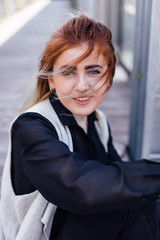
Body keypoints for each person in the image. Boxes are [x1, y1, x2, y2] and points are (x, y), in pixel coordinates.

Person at [0, 13, 160, 240]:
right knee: (128, 204)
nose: (83, 85)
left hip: (80, 227)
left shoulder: (98, 122)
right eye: (68, 72)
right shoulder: (30, 128)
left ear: (109, 76)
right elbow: (78, 186)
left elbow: (115, 181)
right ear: (51, 81)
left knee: (141, 200)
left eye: (94, 71)